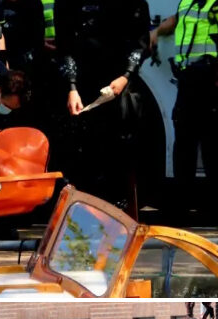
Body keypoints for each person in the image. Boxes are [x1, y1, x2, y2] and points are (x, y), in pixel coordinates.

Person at [55, 0, 150, 214]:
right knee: (82, 150)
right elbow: (65, 44)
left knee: (121, 149)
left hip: (119, 82)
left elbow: (140, 43)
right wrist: (72, 87)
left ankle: (119, 209)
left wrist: (126, 76)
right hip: (82, 85)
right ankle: (84, 209)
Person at [150, 0, 218, 225]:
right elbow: (176, 20)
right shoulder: (188, 1)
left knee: (212, 149)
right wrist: (157, 31)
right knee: (184, 147)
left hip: (209, 77)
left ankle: (214, 211)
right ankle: (180, 211)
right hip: (188, 79)